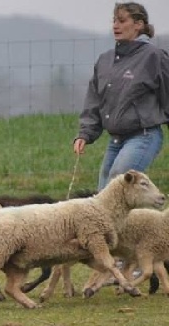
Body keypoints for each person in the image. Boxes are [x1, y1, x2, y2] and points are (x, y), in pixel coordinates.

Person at [73, 2, 169, 191]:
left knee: (117, 185)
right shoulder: (105, 60)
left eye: (122, 20)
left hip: (144, 136)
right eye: (114, 20)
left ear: (138, 24)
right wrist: (85, 134)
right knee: (103, 196)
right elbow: (94, 101)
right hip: (115, 140)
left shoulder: (154, 57)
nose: (115, 25)